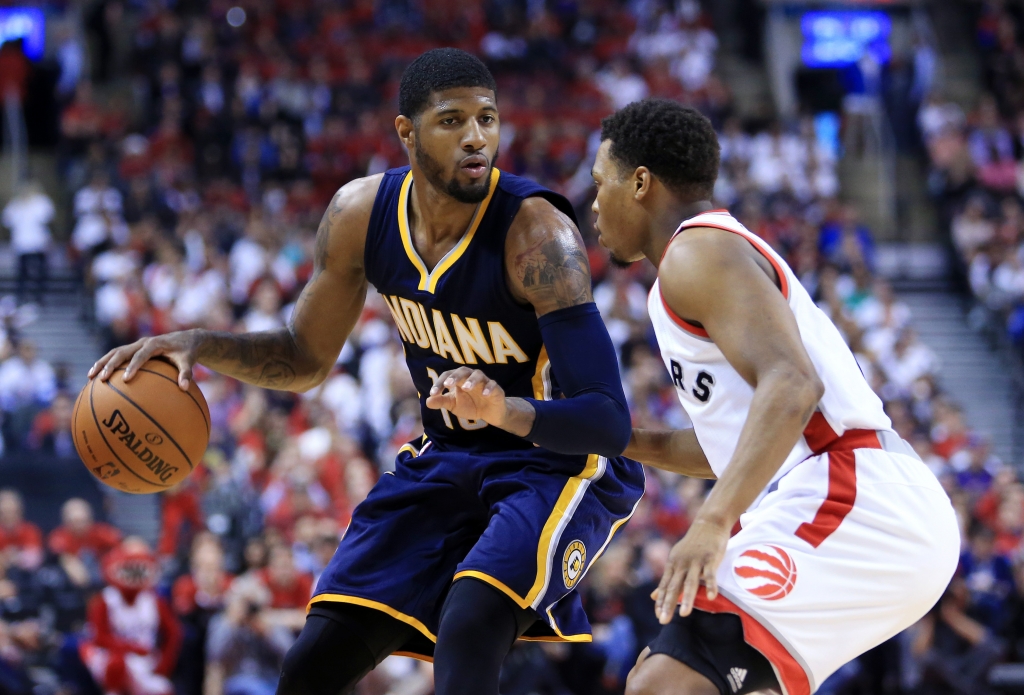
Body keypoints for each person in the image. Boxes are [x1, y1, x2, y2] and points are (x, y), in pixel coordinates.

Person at [90, 48, 644, 695]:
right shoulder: (361, 214)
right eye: (452, 120)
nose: (476, 137)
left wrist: (506, 411)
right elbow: (304, 356)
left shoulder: (537, 233)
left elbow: (608, 419)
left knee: (471, 621)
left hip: (555, 461)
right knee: (313, 661)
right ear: (406, 132)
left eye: (488, 119)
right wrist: (198, 342)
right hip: (448, 454)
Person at [589, 99, 960, 695]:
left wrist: (713, 519)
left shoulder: (696, 251)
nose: (594, 202)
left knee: (663, 683)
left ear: (639, 183)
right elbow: (733, 448)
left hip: (853, 498)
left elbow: (793, 386)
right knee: (669, 676)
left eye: (599, 182)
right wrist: (622, 440)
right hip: (847, 502)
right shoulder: (700, 262)